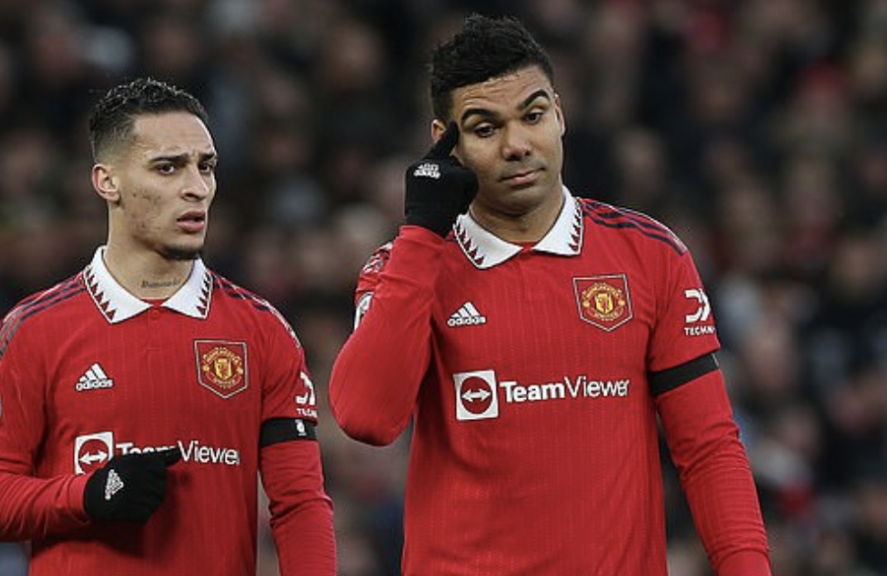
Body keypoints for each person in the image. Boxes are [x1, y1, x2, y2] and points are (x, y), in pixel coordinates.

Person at [329, 14, 771, 576]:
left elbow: (708, 448)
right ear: (445, 143)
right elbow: (366, 417)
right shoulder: (407, 269)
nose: (517, 145)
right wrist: (421, 235)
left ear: (559, 114)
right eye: (485, 128)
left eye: (532, 115)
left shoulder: (650, 255)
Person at [0, 77, 336, 575]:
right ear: (107, 182)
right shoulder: (33, 329)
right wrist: (88, 494)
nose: (196, 187)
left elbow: (300, 504)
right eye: (167, 167)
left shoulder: (262, 330)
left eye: (205, 166)